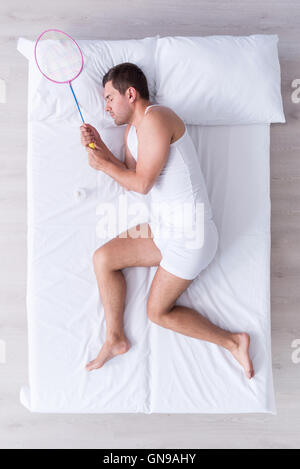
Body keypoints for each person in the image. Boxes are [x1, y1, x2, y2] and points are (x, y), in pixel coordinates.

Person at [80, 62, 254, 379]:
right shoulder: (133, 131)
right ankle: (115, 338)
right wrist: (99, 148)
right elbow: (133, 182)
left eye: (108, 98)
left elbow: (143, 183)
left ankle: (233, 341)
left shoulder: (157, 118)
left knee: (157, 313)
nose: (105, 107)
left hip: (191, 237)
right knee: (103, 258)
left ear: (130, 93)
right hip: (167, 230)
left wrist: (104, 166)